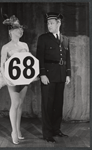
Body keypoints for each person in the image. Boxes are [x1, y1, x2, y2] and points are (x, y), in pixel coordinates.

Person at [36, 12, 71, 143]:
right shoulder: (43, 38)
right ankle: (47, 133)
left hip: (61, 75)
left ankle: (56, 129)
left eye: (51, 23)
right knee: (47, 105)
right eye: (48, 23)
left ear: (59, 23)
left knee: (58, 104)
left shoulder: (65, 39)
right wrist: (42, 74)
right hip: (48, 76)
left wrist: (68, 74)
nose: (49, 25)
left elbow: (68, 58)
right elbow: (39, 58)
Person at [0, 15, 29, 145]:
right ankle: (14, 131)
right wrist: (6, 79)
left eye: (21, 29)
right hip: (12, 79)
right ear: (10, 31)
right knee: (15, 104)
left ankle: (18, 129)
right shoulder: (5, 47)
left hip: (24, 78)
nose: (20, 31)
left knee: (21, 104)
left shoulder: (25, 45)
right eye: (18, 29)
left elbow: (29, 61)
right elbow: (2, 65)